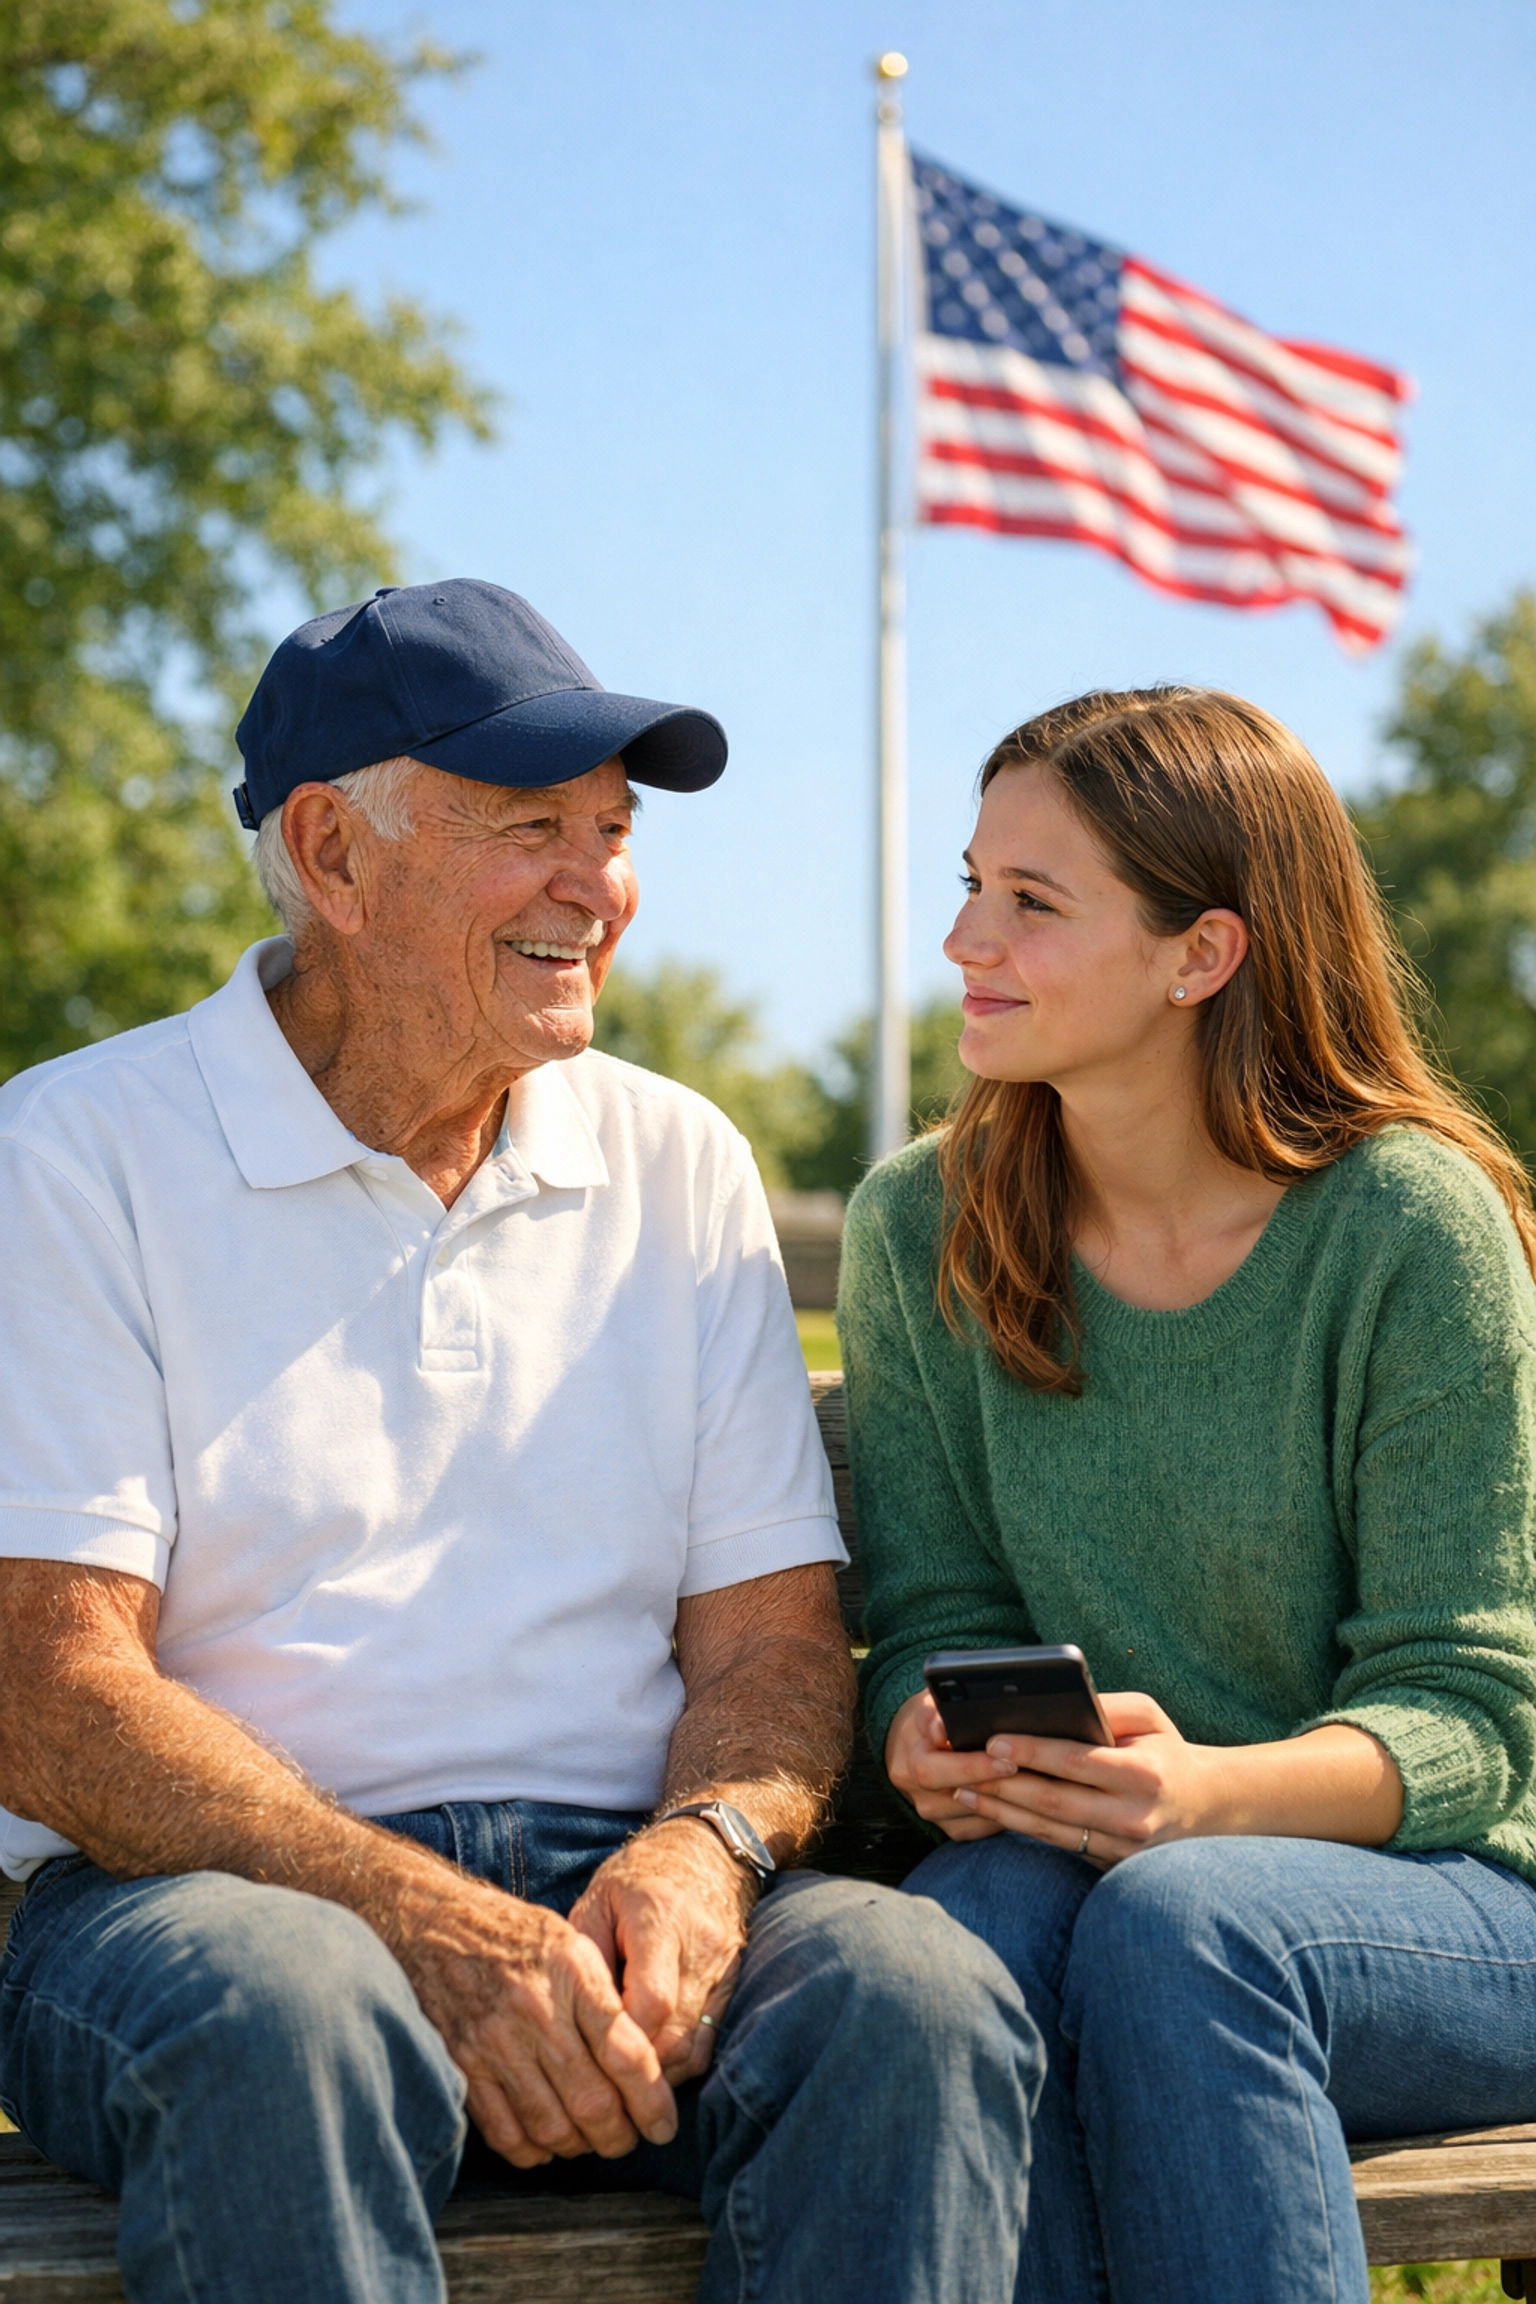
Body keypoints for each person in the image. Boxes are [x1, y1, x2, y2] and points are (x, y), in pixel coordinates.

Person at [0, 579, 1041, 2304]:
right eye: (533, 827)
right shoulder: (73, 1153)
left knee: (913, 1998)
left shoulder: (674, 1158)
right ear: (333, 854)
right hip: (208, 1904)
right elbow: (47, 1683)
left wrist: (702, 1851)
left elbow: (776, 1649)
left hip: (614, 1894)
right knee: (293, 2016)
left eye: (616, 833)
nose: (598, 884)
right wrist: (412, 1918)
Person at [837, 685, 1536, 2304]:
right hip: (1102, 1861)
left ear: (1200, 954)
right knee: (959, 1955)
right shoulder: (918, 1225)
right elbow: (935, 1619)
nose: (964, 941)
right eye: (967, 884)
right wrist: (920, 1740)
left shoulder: (1407, 1230)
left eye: (1031, 902)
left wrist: (1209, 1795)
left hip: (1451, 1894)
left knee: (1184, 1930)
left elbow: (1471, 1717)